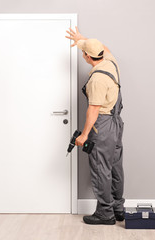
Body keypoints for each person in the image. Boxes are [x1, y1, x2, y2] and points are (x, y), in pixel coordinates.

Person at [66, 27, 125, 225]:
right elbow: (104, 47)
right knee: (115, 167)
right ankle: (118, 207)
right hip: (116, 124)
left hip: (103, 125)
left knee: (101, 169)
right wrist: (82, 40)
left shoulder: (97, 79)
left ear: (86, 56)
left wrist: (83, 135)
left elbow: (93, 110)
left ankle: (105, 213)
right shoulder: (110, 63)